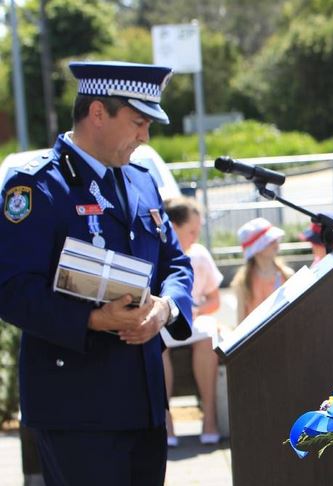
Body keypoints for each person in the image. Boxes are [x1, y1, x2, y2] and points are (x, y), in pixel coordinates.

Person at [0, 61, 192, 485]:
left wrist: (165, 309)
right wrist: (93, 319)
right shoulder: (37, 186)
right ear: (98, 113)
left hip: (143, 403)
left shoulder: (142, 181)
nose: (145, 137)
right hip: (75, 407)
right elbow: (11, 289)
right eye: (138, 122)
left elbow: (176, 264)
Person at [159, 197, 223, 447]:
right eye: (192, 231)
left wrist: (197, 309)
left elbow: (215, 300)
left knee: (208, 336)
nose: (196, 237)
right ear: (173, 227)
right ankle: (166, 422)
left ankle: (210, 418)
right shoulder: (156, 252)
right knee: (156, 344)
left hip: (193, 322)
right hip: (163, 322)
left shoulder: (199, 254)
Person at [231, 217, 294, 322]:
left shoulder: (287, 274)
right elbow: (241, 321)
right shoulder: (243, 282)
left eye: (275, 240)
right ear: (257, 249)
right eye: (270, 241)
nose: (276, 243)